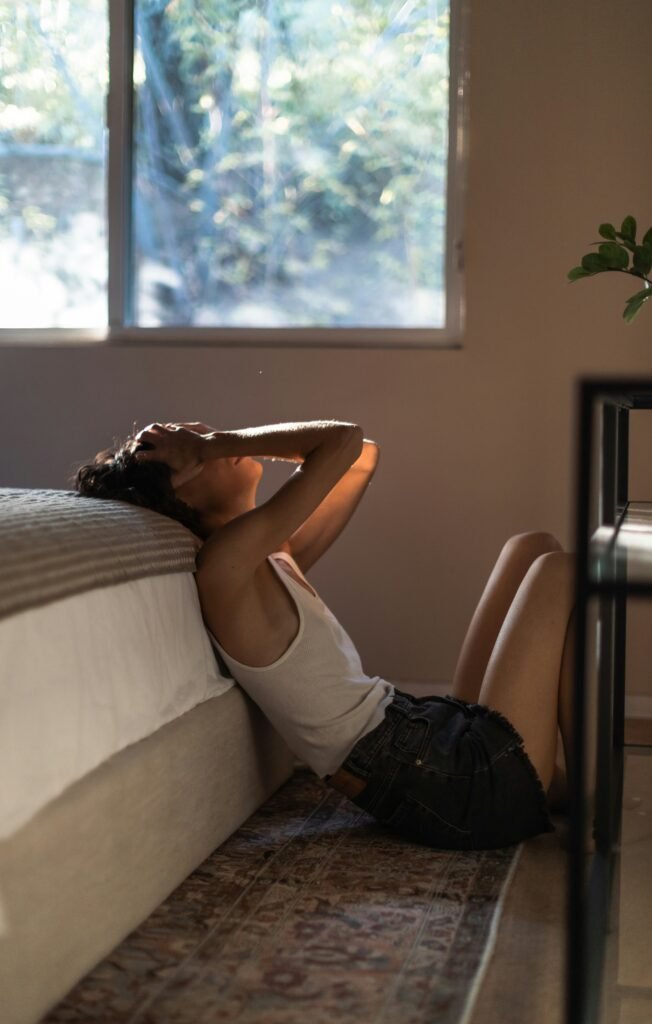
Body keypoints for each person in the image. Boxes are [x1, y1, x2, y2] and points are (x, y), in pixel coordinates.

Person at [75, 418, 588, 851]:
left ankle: (549, 788)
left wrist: (215, 445)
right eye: (195, 444)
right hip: (443, 782)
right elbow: (341, 439)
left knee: (532, 546)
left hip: (430, 739)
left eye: (204, 432)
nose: (212, 435)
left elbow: (360, 455)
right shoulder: (225, 567)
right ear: (181, 491)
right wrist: (221, 444)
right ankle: (592, 797)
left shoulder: (271, 553)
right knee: (560, 570)